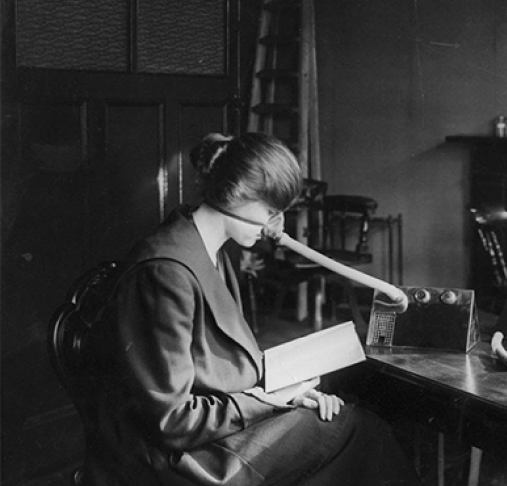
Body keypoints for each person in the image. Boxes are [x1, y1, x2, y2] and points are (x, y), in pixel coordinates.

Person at [92, 132, 420, 486]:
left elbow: (224, 363)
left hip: (215, 429)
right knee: (360, 431)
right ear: (233, 193)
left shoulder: (209, 249)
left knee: (352, 426)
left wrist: (293, 393)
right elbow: (171, 421)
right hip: (178, 460)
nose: (276, 227)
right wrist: (272, 401)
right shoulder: (165, 271)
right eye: (270, 211)